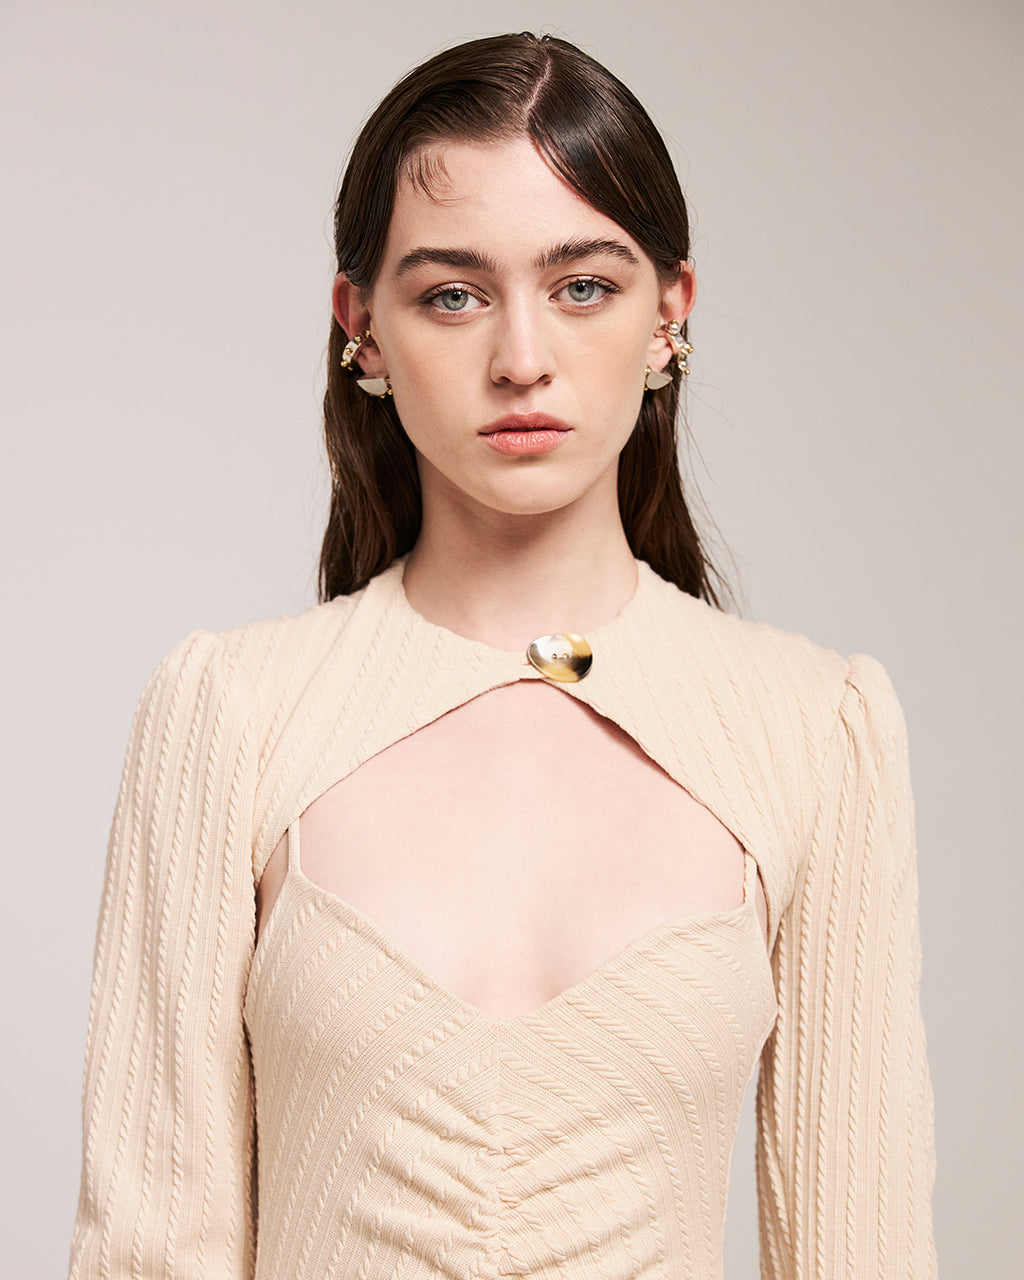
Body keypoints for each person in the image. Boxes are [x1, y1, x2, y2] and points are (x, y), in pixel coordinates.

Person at [68, 32, 936, 1280]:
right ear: (362, 327)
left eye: (582, 286)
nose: (521, 357)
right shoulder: (230, 712)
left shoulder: (814, 726)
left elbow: (864, 1251)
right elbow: (149, 1248)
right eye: (453, 294)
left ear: (668, 314)